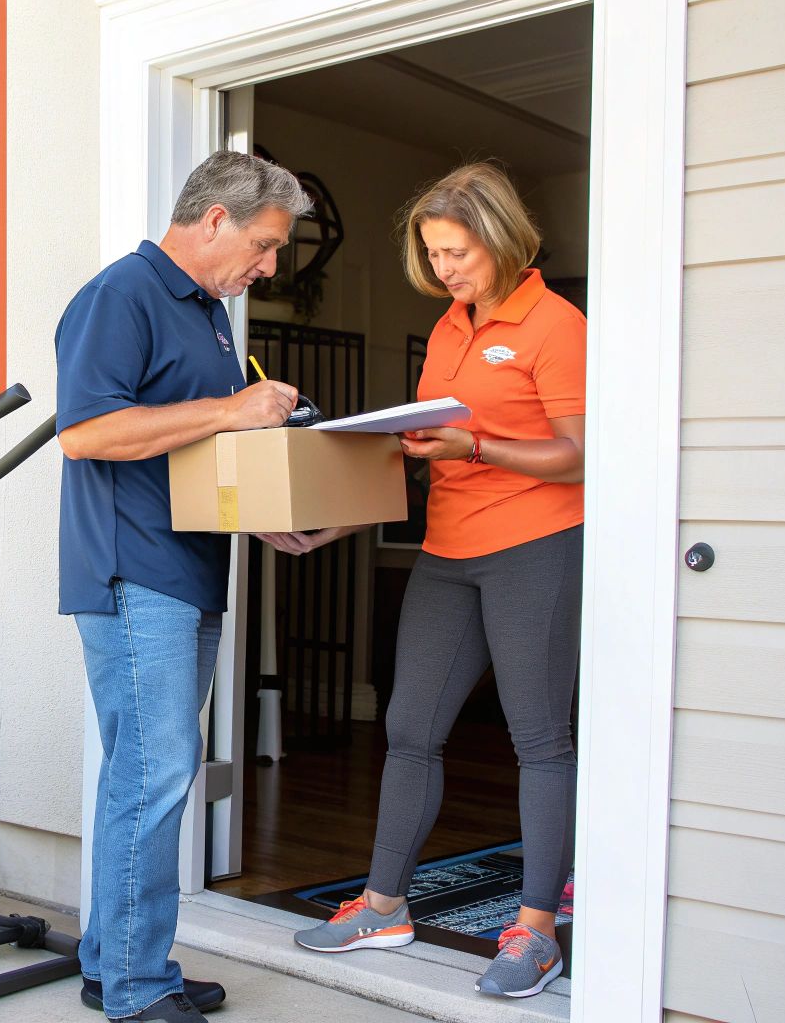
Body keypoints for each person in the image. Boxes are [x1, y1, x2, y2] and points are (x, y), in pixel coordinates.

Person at [275, 162, 585, 999]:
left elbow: (579, 455)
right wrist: (338, 521)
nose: (445, 268)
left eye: (458, 252)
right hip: (447, 550)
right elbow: (422, 457)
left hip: (535, 545)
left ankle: (535, 933)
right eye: (434, 253)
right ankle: (383, 906)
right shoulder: (450, 327)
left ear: (502, 239)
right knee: (410, 728)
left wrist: (473, 446)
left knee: (538, 738)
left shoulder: (556, 325)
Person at [56, 150, 310, 1022]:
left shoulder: (210, 316)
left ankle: (114, 963)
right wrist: (235, 409)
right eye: (265, 244)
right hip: (133, 570)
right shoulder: (120, 295)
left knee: (146, 770)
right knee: (157, 771)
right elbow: (87, 433)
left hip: (192, 567)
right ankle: (137, 988)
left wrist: (264, 513)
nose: (268, 266)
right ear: (214, 219)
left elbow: (195, 449)